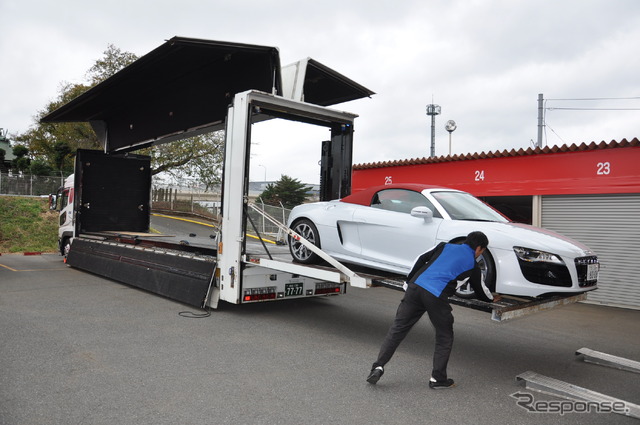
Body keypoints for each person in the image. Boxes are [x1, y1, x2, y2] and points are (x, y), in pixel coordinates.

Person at [366, 231, 500, 389]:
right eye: (482, 251)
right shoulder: (472, 264)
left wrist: (410, 281)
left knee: (398, 329)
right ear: (479, 248)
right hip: (435, 295)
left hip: (415, 287)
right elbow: (480, 290)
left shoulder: (444, 246)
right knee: (444, 335)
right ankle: (438, 378)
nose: (480, 254)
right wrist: (492, 298)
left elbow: (422, 259)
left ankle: (377, 367)